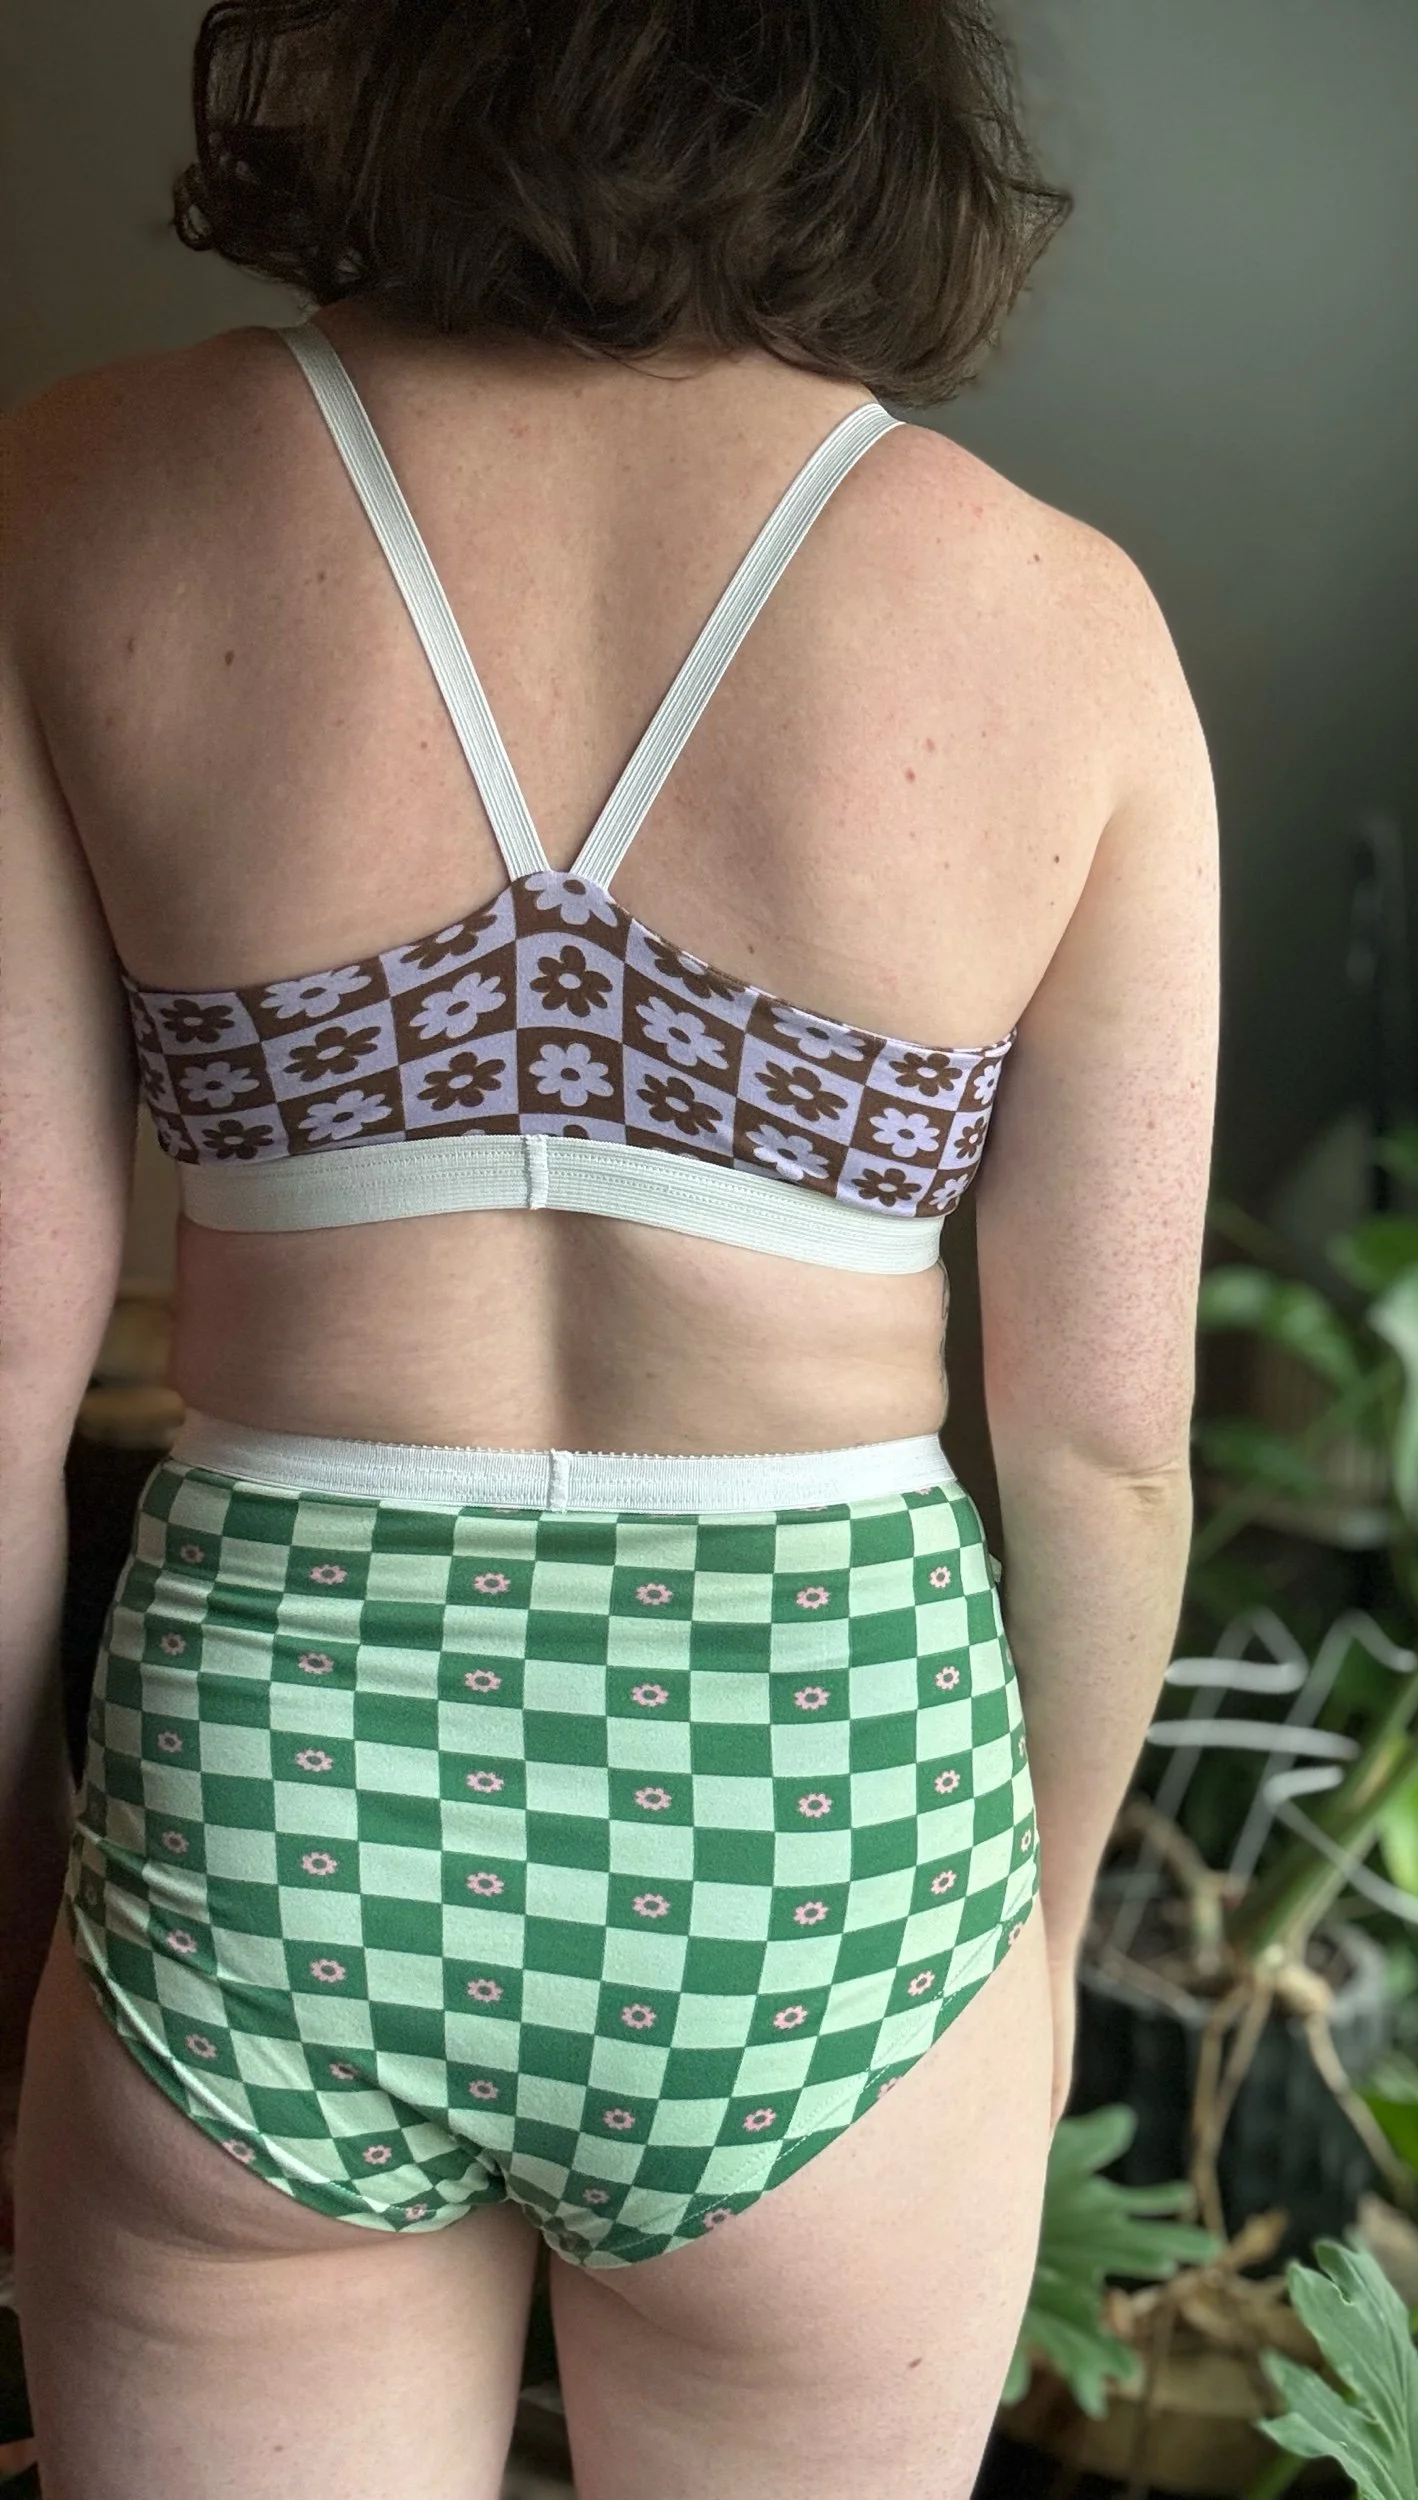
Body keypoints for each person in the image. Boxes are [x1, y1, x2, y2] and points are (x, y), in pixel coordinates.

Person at [0, 2, 1218, 2491]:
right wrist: (1031, 1943)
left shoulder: (83, 500)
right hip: (824, 1820)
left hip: (280, 1793)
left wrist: (20, 1900)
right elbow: (1101, 1449)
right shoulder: (1066, 629)